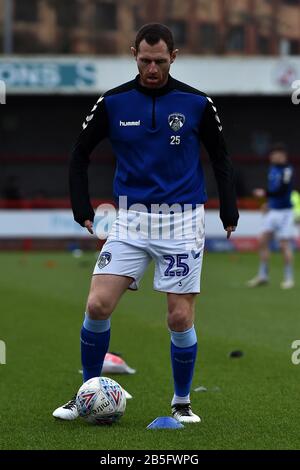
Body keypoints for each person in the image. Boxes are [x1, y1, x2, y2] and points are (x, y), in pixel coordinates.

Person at [53, 23, 239, 423]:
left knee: (178, 317)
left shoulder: (197, 103)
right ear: (133, 54)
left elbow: (220, 156)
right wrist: (81, 206)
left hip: (183, 221)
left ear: (173, 57)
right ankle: (88, 393)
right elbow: (79, 153)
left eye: (159, 61)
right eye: (144, 60)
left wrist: (229, 209)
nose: (152, 68)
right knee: (97, 305)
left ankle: (182, 403)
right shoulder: (113, 102)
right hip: (129, 220)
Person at [247, 143, 295, 289]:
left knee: (283, 244)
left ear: (282, 155)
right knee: (262, 240)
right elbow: (275, 191)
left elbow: (282, 190)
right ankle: (263, 275)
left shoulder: (287, 170)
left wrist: (264, 194)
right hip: (272, 210)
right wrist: (267, 203)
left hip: (285, 212)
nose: (272, 157)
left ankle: (289, 278)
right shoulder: (272, 169)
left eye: (275, 154)